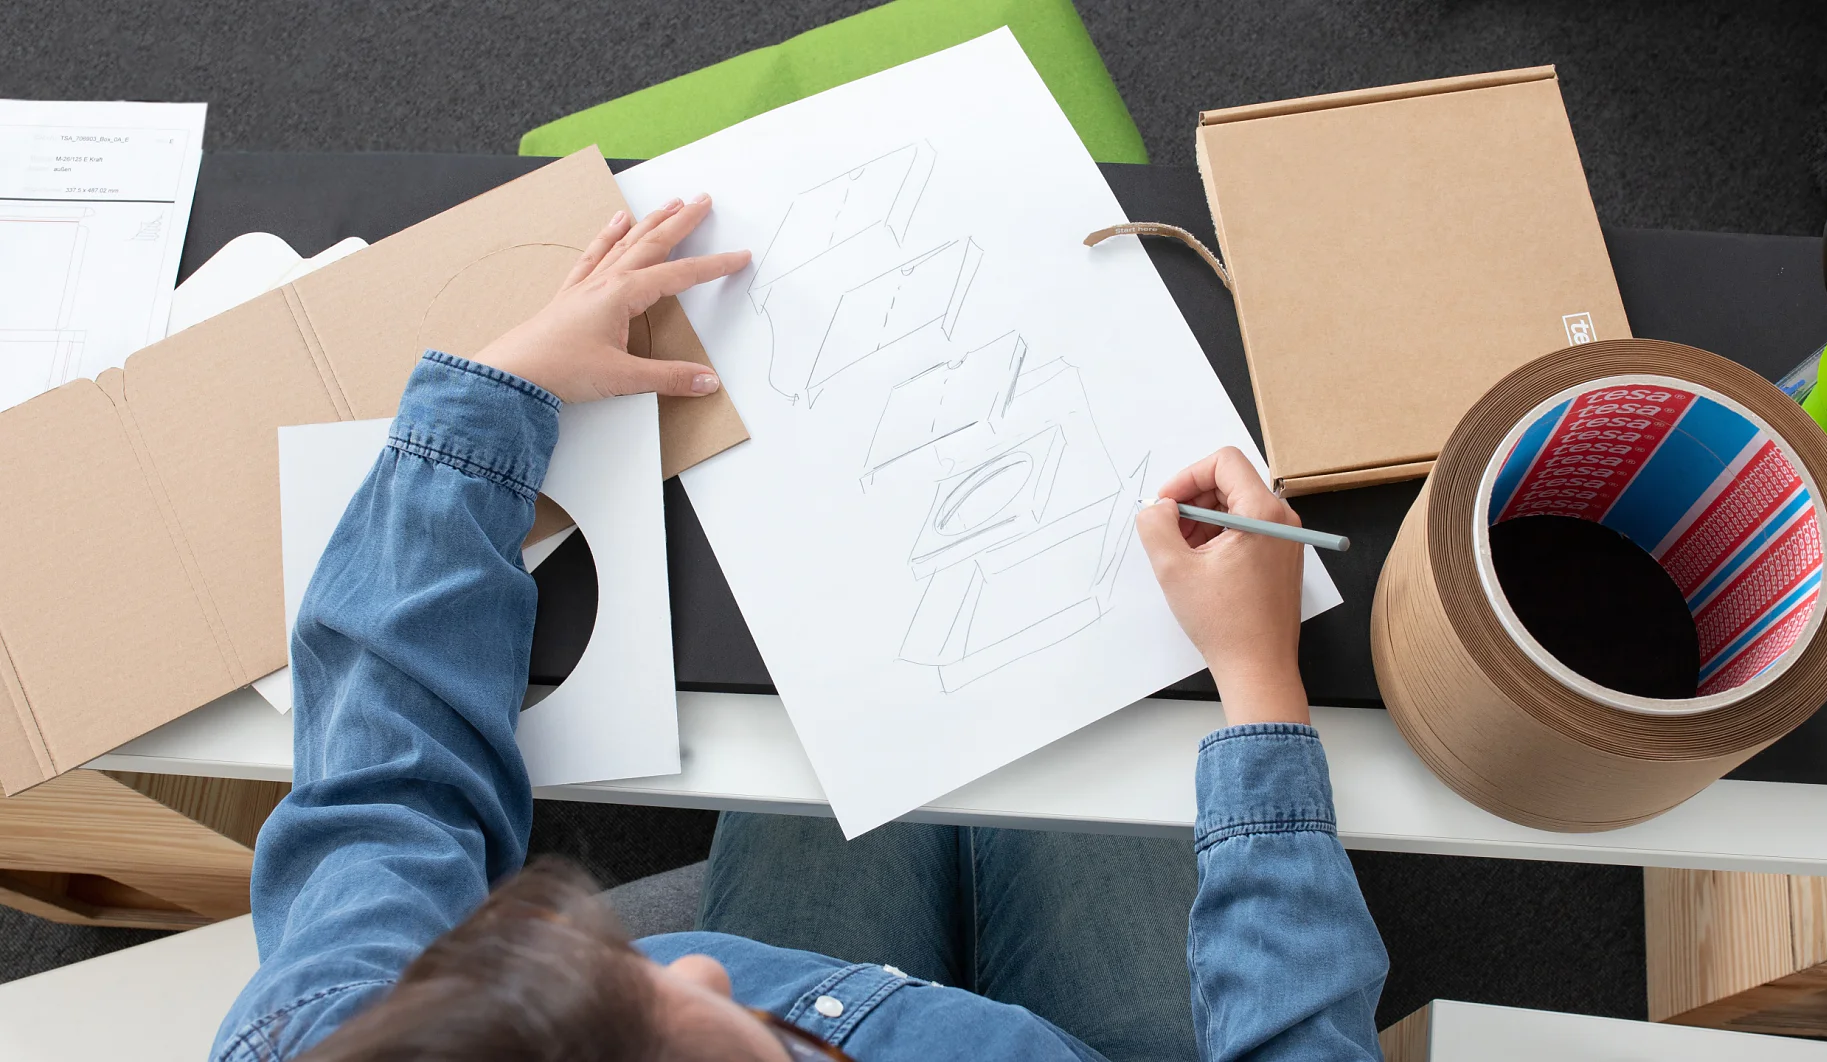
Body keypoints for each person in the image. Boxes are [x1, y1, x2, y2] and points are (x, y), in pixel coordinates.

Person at [211, 196, 1389, 1062]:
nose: (699, 968)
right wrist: (1255, 681)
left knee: (893, 729)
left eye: (626, 992)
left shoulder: (328, 1046)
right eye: (695, 1037)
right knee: (1101, 753)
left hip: (860, 989)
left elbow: (382, 796)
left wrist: (489, 403)